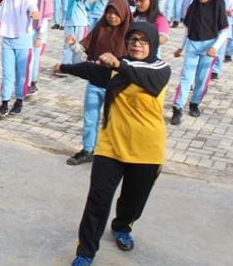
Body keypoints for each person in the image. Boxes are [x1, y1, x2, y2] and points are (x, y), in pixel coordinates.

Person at [56, 22, 171, 266]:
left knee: (133, 200)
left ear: (152, 44)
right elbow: (90, 69)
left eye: (143, 40)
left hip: (146, 149)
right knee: (97, 200)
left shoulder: (160, 69)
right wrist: (64, 67)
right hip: (111, 145)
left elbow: (143, 75)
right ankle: (86, 251)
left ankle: (122, 226)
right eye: (132, 39)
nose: (137, 44)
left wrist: (119, 64)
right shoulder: (117, 67)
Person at [64, 0, 132, 166]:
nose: (112, 17)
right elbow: (83, 49)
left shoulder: (131, 35)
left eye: (116, 14)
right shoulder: (100, 27)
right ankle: (88, 150)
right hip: (95, 82)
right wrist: (73, 44)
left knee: (115, 121)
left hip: (117, 86)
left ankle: (114, 153)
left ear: (124, 14)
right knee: (90, 118)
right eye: (109, 12)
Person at [171, 0, 229, 125]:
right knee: (186, 77)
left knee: (202, 78)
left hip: (209, 47)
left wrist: (215, 47)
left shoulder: (218, 6)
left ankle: (195, 103)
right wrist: (181, 47)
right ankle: (178, 107)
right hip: (192, 44)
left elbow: (225, 31)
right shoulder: (194, 6)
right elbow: (188, 29)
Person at [0, 0, 40, 117]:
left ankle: (19, 100)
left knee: (21, 75)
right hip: (7, 40)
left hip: (23, 41)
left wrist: (34, 12)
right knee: (7, 74)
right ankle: (4, 103)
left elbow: (31, 6)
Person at [61, 0, 89, 65]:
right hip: (69, 22)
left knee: (79, 46)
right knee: (67, 44)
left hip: (80, 24)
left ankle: (77, 65)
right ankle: (66, 64)